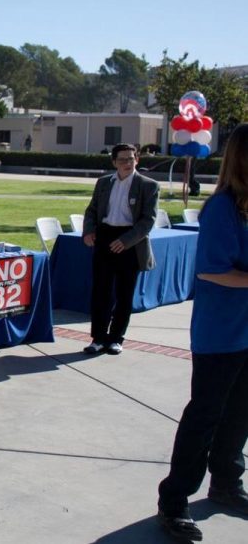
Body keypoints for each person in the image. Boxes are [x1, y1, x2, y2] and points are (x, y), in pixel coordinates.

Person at [156, 123, 248, 541]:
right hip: (220, 334)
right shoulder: (223, 209)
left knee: (240, 414)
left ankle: (226, 482)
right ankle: (174, 501)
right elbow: (213, 270)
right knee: (205, 417)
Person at [81, 143, 159, 355]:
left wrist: (126, 241)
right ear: (114, 162)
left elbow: (147, 221)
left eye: (131, 159)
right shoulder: (104, 182)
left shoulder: (148, 185)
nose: (127, 163)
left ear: (137, 160)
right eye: (122, 159)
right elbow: (92, 210)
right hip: (105, 238)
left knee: (124, 293)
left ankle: (116, 338)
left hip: (130, 242)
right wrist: (88, 231)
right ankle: (98, 338)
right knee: (101, 292)